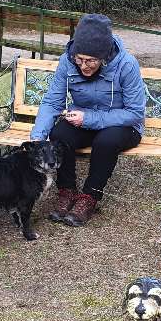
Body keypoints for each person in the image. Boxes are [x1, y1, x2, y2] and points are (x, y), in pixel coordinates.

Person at [29, 13, 147, 227]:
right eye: (80, 59)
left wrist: (89, 118)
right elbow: (53, 102)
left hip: (123, 125)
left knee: (106, 141)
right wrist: (38, 137)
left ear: (104, 56)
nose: (84, 66)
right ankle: (67, 192)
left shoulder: (127, 64)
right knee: (59, 134)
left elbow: (135, 112)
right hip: (84, 120)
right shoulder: (67, 61)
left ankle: (89, 197)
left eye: (91, 61)